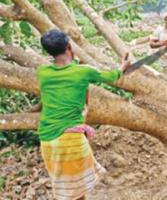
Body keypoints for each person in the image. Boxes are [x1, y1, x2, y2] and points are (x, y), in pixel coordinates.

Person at [37, 29, 130, 200]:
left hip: (47, 141)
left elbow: (64, 75)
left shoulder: (42, 72)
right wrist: (122, 67)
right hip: (70, 141)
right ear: (69, 47)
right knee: (77, 193)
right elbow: (112, 77)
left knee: (64, 190)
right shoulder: (84, 71)